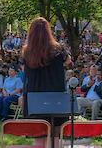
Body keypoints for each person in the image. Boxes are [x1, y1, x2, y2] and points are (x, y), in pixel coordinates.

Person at [20, 17, 70, 147]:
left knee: (39, 137)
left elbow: (24, 69)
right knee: (54, 137)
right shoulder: (58, 49)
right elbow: (68, 61)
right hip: (55, 98)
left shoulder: (27, 52)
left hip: (34, 99)